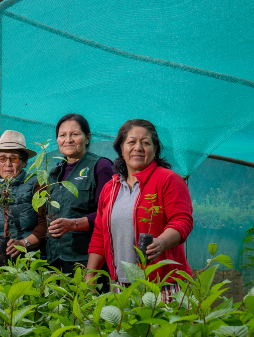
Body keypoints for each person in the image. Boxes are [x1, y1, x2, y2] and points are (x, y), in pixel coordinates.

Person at [86, 119, 193, 299]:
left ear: (155, 149)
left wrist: (161, 242)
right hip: (121, 286)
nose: (138, 147)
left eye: (145, 143)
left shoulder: (168, 180)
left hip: (163, 284)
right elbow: (99, 235)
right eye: (131, 142)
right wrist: (90, 278)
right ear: (121, 148)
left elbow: (182, 221)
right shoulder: (110, 188)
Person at [45, 114, 115, 273]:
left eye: (75, 134)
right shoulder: (54, 174)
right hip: (55, 259)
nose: (68, 139)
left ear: (88, 137)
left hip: (86, 258)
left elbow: (108, 213)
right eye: (62, 135)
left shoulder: (101, 166)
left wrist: (74, 224)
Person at [0, 131, 49, 260]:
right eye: (2, 158)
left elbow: (45, 224)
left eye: (14, 158)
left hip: (28, 261)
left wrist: (23, 244)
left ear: (24, 162)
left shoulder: (37, 185)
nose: (7, 164)